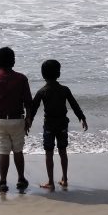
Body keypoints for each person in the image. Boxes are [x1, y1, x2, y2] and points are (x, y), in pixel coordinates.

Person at [0, 46, 32, 192]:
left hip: (0, 121)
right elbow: (28, 101)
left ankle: (3, 182)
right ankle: (21, 179)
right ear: (13, 61)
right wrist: (28, 119)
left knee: (3, 152)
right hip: (17, 119)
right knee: (18, 151)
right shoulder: (21, 78)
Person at [29, 58, 87, 191]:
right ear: (58, 74)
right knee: (63, 151)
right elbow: (74, 105)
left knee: (48, 153)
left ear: (43, 75)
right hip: (62, 124)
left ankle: (50, 182)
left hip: (49, 125)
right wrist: (82, 118)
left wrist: (29, 122)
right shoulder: (65, 90)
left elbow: (33, 108)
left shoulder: (42, 91)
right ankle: (65, 179)